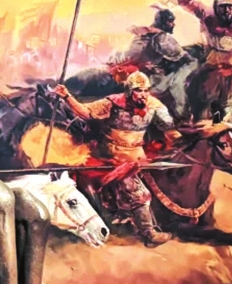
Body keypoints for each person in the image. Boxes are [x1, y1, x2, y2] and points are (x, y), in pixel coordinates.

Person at [53, 71, 179, 246]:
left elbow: (170, 129)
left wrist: (180, 138)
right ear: (129, 91)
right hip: (111, 158)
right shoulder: (113, 103)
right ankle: (149, 235)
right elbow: (86, 112)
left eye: (145, 90)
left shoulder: (154, 105)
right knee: (138, 192)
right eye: (138, 90)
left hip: (137, 158)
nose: (143, 95)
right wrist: (67, 96)